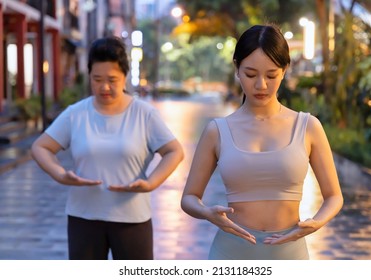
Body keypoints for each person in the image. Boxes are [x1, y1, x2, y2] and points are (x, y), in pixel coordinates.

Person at [180, 24, 343, 260]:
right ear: (237, 68)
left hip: (290, 253)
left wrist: (317, 222)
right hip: (230, 252)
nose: (261, 85)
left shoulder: (308, 127)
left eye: (271, 75)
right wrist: (207, 213)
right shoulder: (217, 131)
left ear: (285, 70)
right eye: (250, 74)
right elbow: (189, 197)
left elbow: (334, 196)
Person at [31, 36, 184, 260]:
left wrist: (151, 183)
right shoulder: (76, 113)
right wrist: (61, 175)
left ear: (124, 77)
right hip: (83, 217)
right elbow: (40, 147)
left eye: (112, 79)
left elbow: (175, 151)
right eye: (97, 79)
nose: (104, 87)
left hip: (132, 218)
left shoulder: (144, 114)